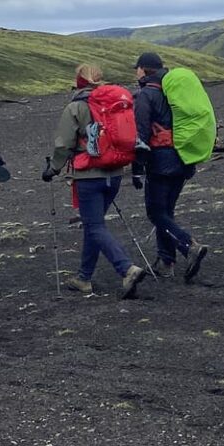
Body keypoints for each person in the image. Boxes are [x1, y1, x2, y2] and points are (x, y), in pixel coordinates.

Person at [42, 65, 146, 298]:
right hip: (115, 173)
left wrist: (53, 169)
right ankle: (84, 278)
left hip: (88, 176)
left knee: (94, 226)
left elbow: (64, 144)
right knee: (94, 225)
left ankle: (126, 268)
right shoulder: (114, 103)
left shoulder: (76, 106)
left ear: (78, 81)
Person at [132, 51, 210, 282]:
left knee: (156, 213)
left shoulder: (147, 95)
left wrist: (137, 167)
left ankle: (189, 246)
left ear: (143, 70)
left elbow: (142, 134)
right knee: (166, 211)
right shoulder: (173, 91)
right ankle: (166, 261)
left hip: (160, 161)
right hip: (183, 157)